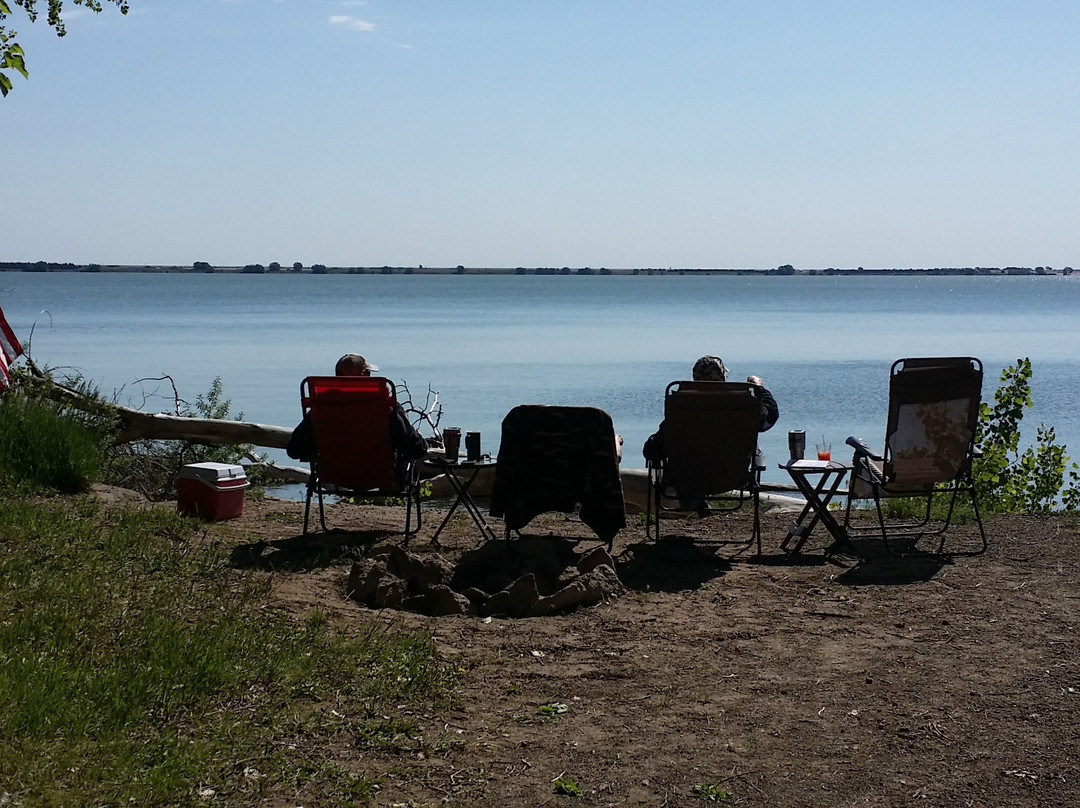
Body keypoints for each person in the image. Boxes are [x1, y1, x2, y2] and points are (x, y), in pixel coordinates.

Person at [642, 355, 779, 509]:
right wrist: (759, 389)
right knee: (753, 440)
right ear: (723, 379)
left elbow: (652, 450)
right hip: (732, 476)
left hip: (687, 478)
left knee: (682, 458)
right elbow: (770, 417)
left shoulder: (683, 409)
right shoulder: (740, 407)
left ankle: (697, 505)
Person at [286, 353, 427, 485]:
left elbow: (294, 450)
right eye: (369, 373)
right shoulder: (386, 408)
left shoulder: (322, 409)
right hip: (381, 476)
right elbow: (417, 449)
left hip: (333, 476)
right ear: (364, 375)